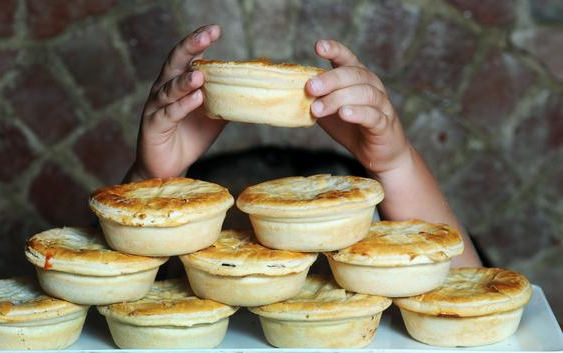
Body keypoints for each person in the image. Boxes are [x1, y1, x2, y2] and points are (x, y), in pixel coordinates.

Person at [124, 24, 482, 267]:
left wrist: (394, 164)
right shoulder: (183, 271)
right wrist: (155, 177)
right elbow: (113, 285)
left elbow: (466, 295)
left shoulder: (379, 263)